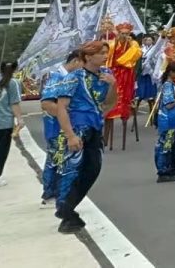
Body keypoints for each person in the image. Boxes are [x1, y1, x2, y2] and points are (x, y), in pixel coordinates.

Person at [53, 41, 117, 233]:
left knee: (93, 169)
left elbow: (111, 103)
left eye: (106, 52)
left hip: (95, 125)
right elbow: (61, 107)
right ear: (88, 56)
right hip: (78, 127)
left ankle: (67, 209)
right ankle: (66, 212)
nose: (105, 56)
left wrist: (113, 85)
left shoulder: (107, 75)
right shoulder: (74, 77)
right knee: (72, 170)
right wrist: (70, 135)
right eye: (101, 53)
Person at [39, 51, 84, 205]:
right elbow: (46, 104)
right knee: (55, 160)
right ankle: (50, 193)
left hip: (65, 126)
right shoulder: (56, 76)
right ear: (76, 61)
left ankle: (60, 194)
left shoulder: (70, 78)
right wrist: (66, 115)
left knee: (64, 161)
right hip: (56, 127)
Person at [103, 23, 142, 150]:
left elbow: (133, 57)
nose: (125, 36)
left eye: (127, 33)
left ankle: (125, 114)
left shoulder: (133, 44)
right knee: (109, 103)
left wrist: (130, 46)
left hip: (126, 75)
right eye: (122, 33)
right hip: (113, 73)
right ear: (118, 33)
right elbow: (107, 59)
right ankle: (105, 138)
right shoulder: (112, 44)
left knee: (124, 99)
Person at [153, 62, 175, 183]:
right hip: (169, 122)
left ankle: (172, 167)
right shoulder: (167, 85)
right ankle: (163, 172)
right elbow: (169, 105)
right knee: (166, 147)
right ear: (171, 72)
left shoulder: (172, 84)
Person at [0, 60, 25, 187]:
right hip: (4, 123)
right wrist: (20, 119)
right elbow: (14, 103)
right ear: (15, 69)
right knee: (1, 151)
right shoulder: (13, 83)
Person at [134, 33, 159, 110]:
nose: (148, 41)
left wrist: (150, 61)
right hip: (142, 70)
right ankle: (139, 95)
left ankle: (151, 96)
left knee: (150, 87)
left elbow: (156, 59)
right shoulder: (141, 48)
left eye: (149, 40)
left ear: (152, 41)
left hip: (150, 70)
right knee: (141, 85)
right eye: (146, 39)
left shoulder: (154, 49)